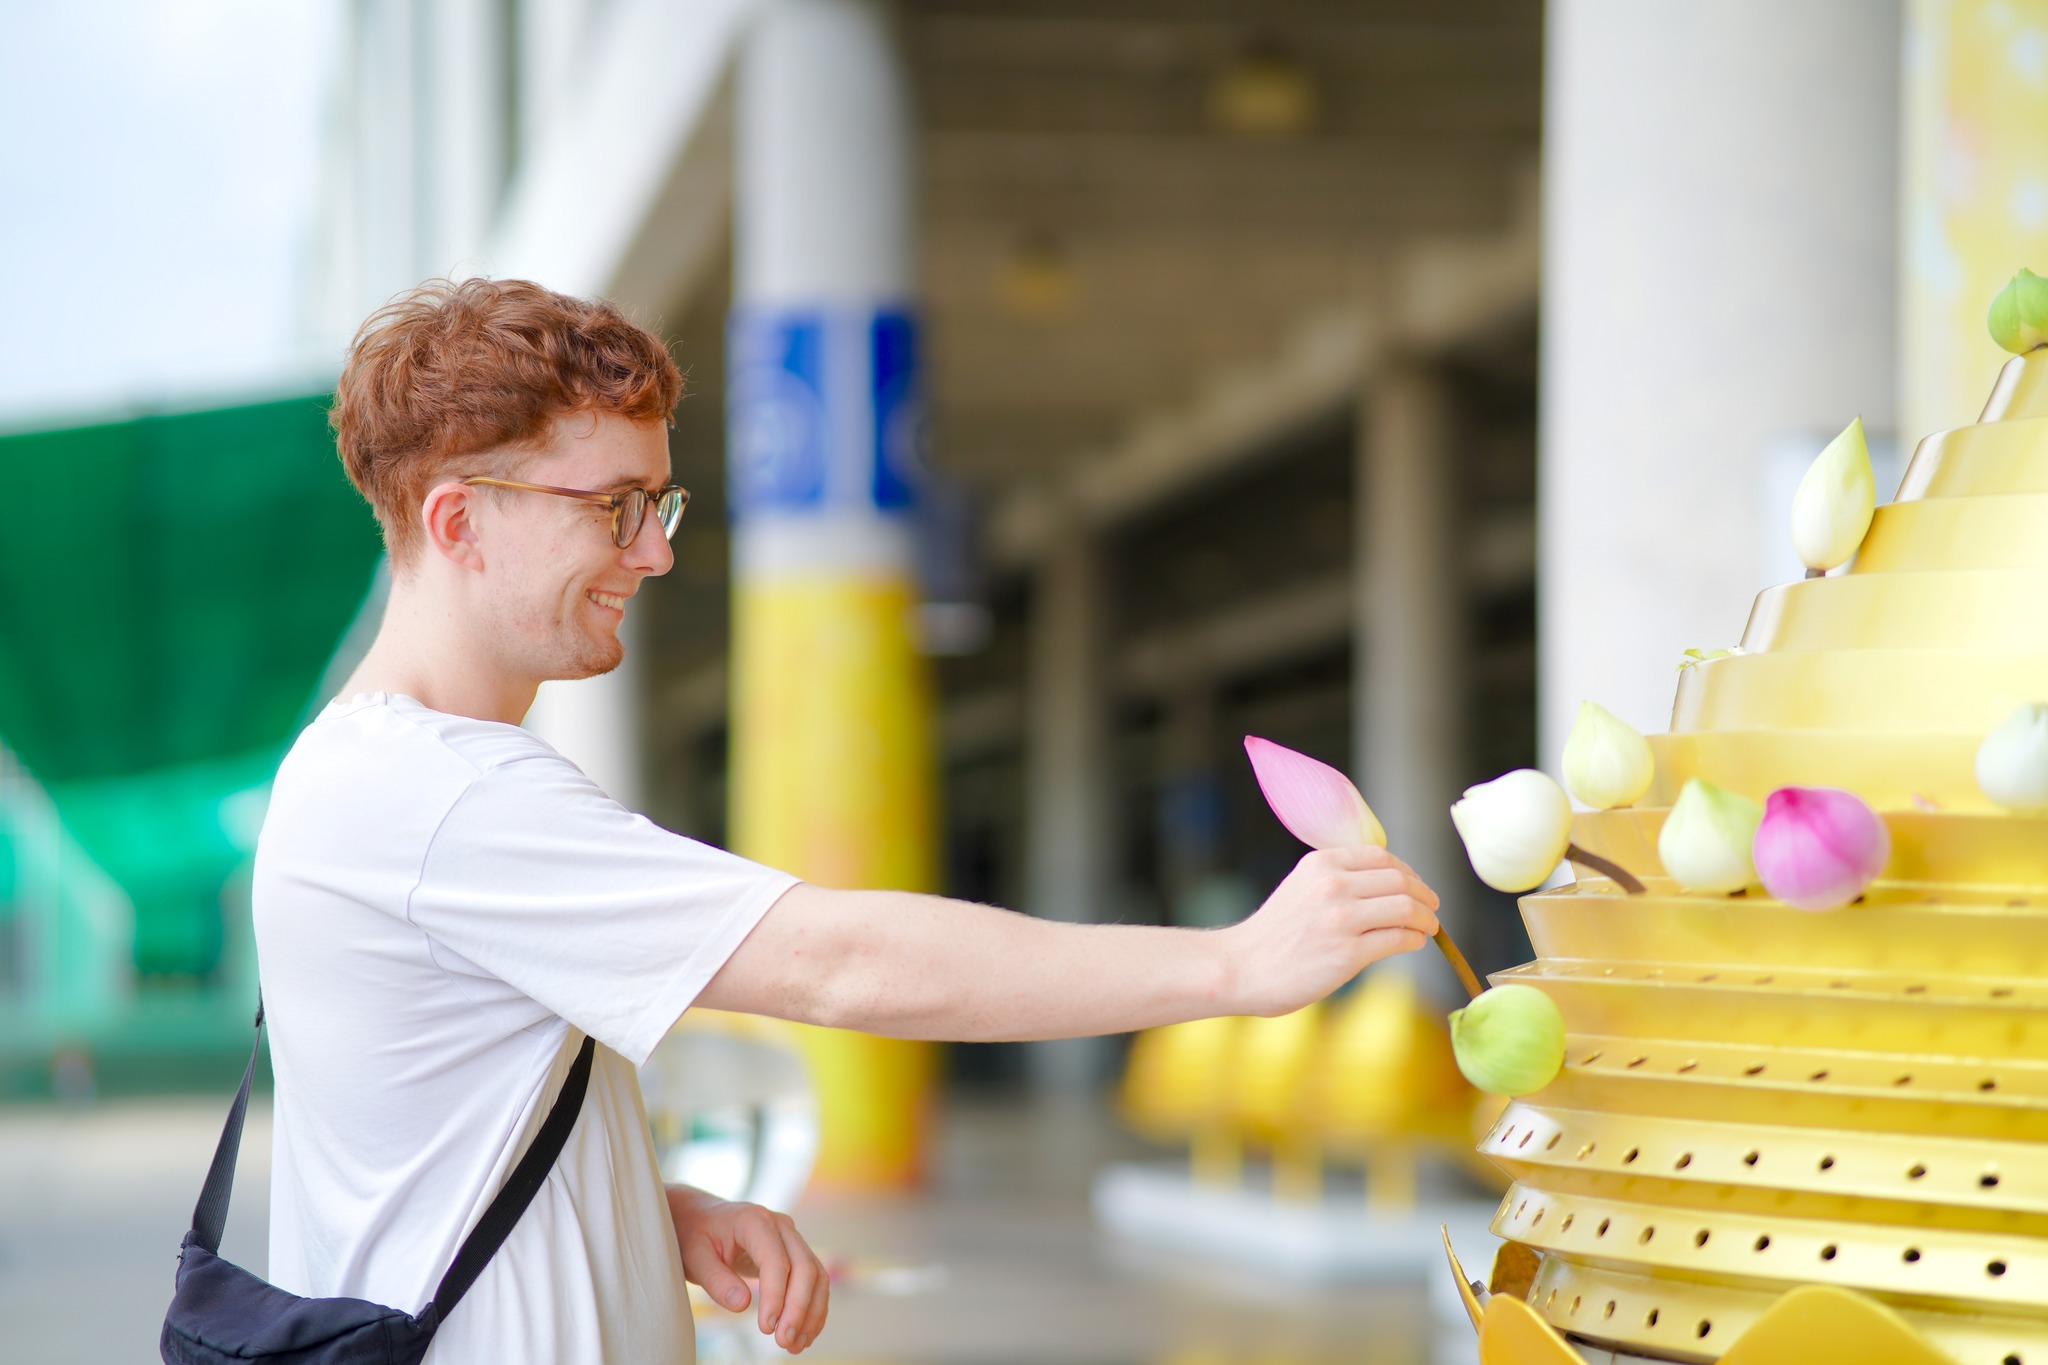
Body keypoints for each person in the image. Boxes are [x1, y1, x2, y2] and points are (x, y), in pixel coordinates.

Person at [255, 277, 1442, 1365]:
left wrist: (647, 1215)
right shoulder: (450, 796)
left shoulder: (368, 771)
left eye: (656, 502)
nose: (656, 551)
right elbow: (841, 963)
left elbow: (411, 1146)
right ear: (461, 523)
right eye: (613, 508)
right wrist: (1236, 964)